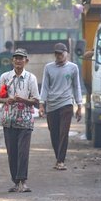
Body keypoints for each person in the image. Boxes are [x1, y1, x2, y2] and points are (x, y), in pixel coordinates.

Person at [0, 48, 40, 193]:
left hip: (25, 120)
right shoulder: (5, 77)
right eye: (16, 58)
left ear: (26, 61)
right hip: (8, 120)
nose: (18, 61)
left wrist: (23, 100)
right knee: (12, 152)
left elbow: (36, 100)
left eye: (21, 58)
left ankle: (23, 182)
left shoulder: (31, 78)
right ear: (12, 60)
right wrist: (7, 99)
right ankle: (15, 182)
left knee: (23, 152)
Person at [39, 43, 82, 171]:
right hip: (52, 104)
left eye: (61, 53)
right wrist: (42, 104)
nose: (59, 56)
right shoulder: (48, 68)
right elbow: (45, 87)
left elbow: (76, 86)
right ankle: (58, 157)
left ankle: (60, 160)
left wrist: (79, 105)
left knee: (64, 132)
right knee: (54, 133)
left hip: (66, 103)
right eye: (57, 54)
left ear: (66, 53)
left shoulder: (73, 68)